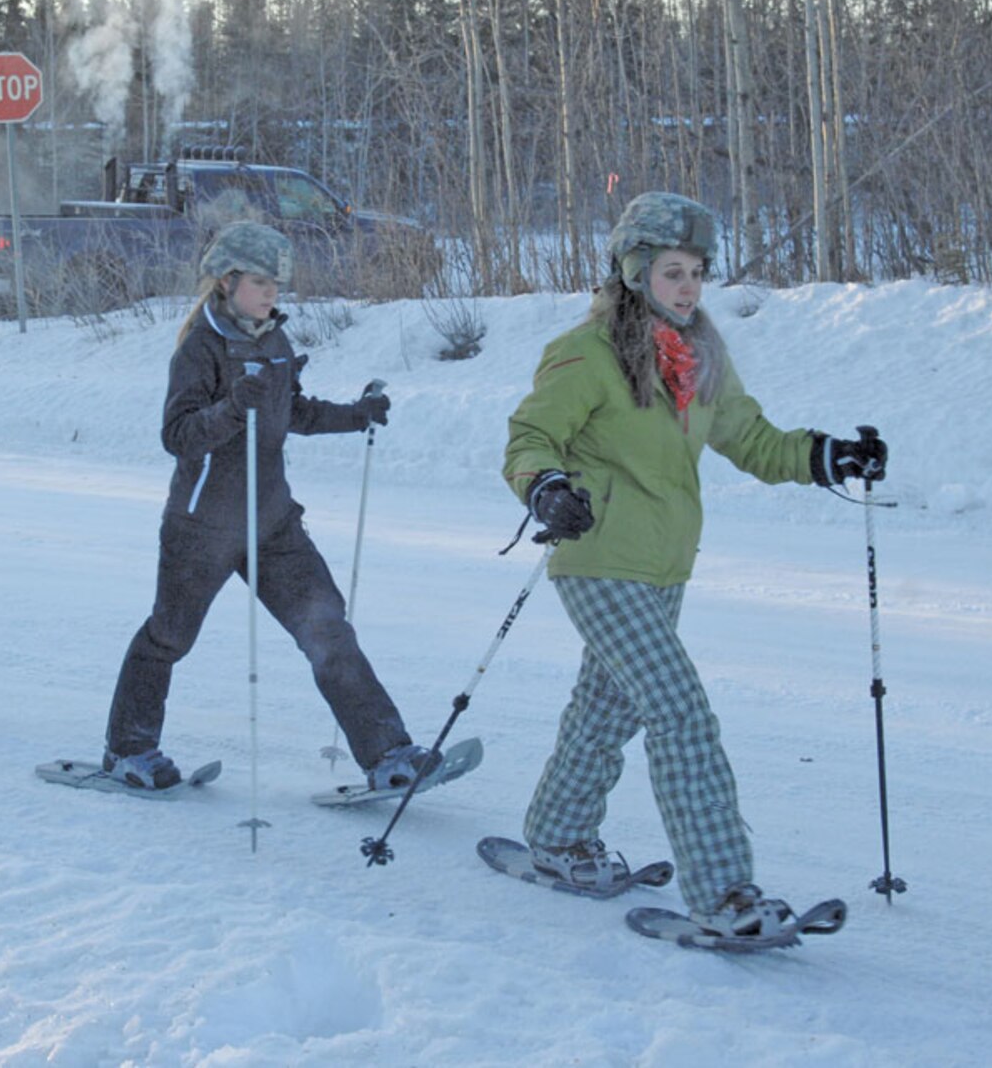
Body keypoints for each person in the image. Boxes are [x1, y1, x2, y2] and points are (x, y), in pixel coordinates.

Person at [502, 191, 889, 938]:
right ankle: (725, 891)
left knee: (606, 706)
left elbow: (752, 439)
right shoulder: (587, 354)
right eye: (672, 271)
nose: (687, 287)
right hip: (598, 556)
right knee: (679, 710)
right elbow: (529, 438)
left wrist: (826, 455)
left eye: (697, 272)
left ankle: (555, 833)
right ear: (634, 271)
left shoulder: (699, 354)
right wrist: (546, 488)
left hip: (665, 566)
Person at [102, 221, 426, 791]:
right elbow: (176, 435)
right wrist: (230, 409)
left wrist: (355, 415)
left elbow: (292, 412)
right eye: (259, 281)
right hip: (202, 526)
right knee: (169, 637)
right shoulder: (198, 347)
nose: (272, 293)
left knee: (327, 628)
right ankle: (128, 750)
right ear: (226, 282)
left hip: (273, 522)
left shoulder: (274, 341)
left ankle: (389, 755)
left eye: (277, 282)